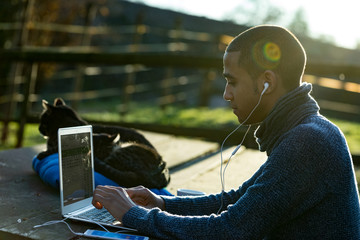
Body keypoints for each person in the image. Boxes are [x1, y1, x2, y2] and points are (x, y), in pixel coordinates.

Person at [92, 25, 360, 239]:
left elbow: (231, 230)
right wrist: (162, 203)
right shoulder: (304, 130)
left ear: (267, 82)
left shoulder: (307, 142)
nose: (226, 94)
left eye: (232, 81)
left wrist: (133, 215)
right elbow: (241, 199)